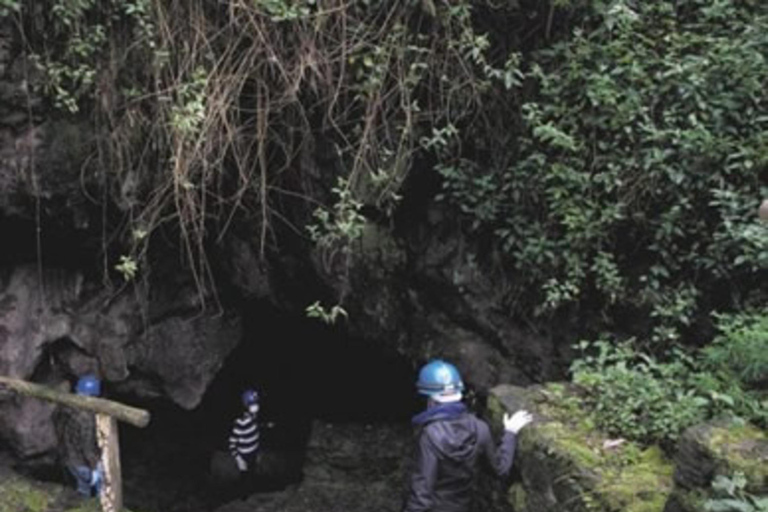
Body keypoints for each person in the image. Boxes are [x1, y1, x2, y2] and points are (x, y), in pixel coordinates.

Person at [403, 359, 533, 512]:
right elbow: (501, 469)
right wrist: (510, 433)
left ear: (430, 398)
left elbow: (421, 495)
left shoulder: (430, 436)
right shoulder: (480, 428)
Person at [54, 374, 103, 497]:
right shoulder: (85, 418)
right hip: (79, 463)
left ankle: (83, 499)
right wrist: (95, 469)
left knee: (82, 487)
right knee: (101, 479)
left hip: (67, 458)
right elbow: (87, 448)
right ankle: (98, 501)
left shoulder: (67, 408)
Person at [229, 388, 262, 477]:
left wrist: (258, 451)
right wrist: (239, 460)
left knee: (253, 472)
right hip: (244, 455)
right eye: (252, 404)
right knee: (245, 476)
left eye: (256, 403)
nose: (256, 406)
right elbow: (232, 443)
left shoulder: (254, 417)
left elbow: (255, 432)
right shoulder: (241, 422)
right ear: (246, 406)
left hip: (254, 452)